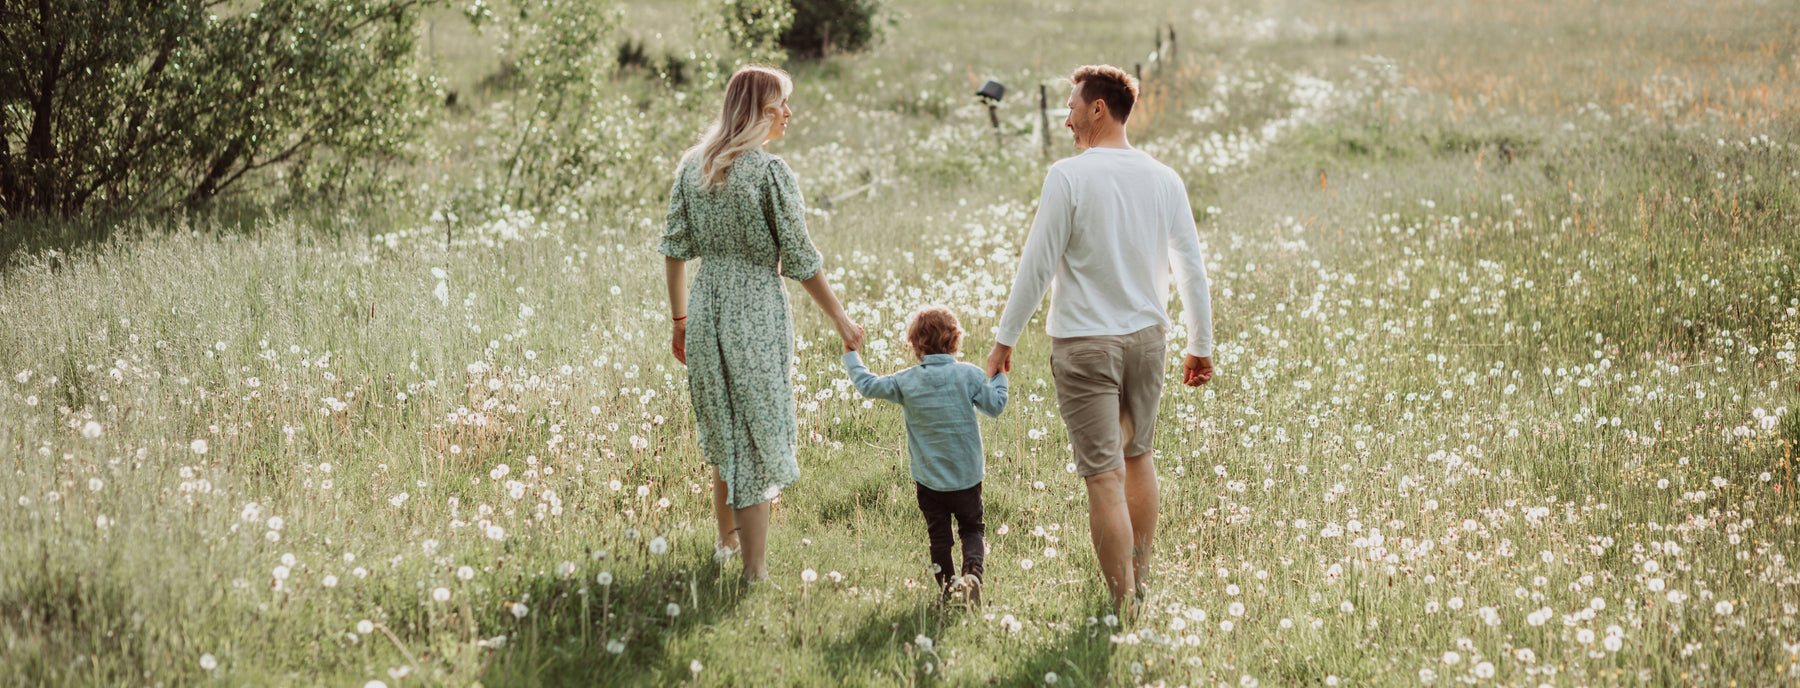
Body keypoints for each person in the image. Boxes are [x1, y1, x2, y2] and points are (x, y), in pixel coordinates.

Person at [984, 64, 1215, 614]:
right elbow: (1191, 267)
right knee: (1138, 457)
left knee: (1105, 478)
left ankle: (1122, 603)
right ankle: (1141, 579)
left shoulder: (1068, 177)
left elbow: (1037, 266)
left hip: (1086, 345)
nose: (1065, 119)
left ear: (1098, 109)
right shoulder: (1164, 178)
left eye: (1071, 107)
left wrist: (1002, 341)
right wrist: (1199, 342)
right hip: (1147, 341)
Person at [659, 65, 864, 582]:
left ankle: (726, 547)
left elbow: (675, 251)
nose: (789, 114)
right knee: (752, 432)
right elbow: (800, 258)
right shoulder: (770, 172)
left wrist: (680, 320)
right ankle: (753, 571)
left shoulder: (693, 166)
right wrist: (841, 317)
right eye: (781, 106)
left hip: (706, 305)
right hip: (754, 306)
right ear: (757, 113)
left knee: (725, 426)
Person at [843, 305, 1007, 603]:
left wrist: (851, 353)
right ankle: (973, 571)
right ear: (957, 339)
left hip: (929, 480)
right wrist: (1000, 375)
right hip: (968, 476)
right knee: (972, 527)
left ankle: (948, 588)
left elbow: (867, 386)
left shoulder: (906, 381)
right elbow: (995, 406)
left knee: (940, 539)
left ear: (914, 346)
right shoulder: (969, 375)